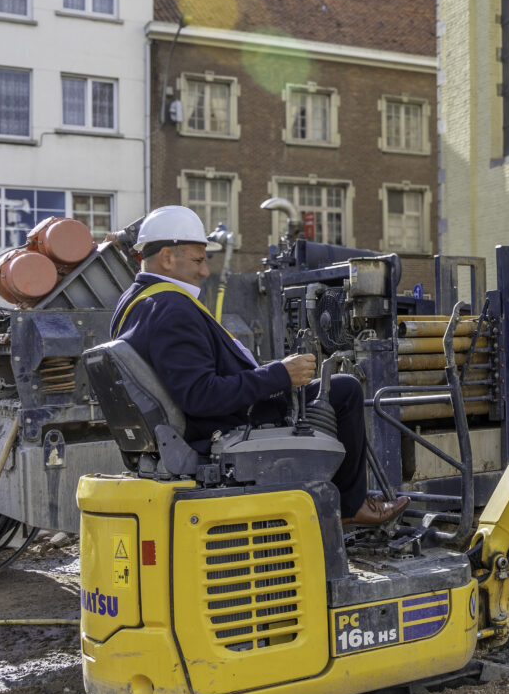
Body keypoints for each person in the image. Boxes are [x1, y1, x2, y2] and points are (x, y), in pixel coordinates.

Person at [110, 205, 407, 526]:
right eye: (198, 260)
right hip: (227, 426)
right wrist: (281, 374)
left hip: (201, 424)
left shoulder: (132, 304)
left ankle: (345, 499)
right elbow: (200, 396)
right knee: (345, 389)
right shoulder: (171, 309)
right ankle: (350, 508)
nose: (205, 271)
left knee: (331, 389)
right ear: (167, 258)